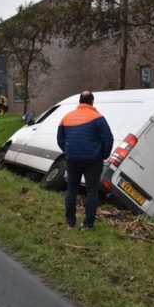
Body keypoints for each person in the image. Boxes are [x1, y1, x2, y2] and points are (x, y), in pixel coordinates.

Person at [57, 91, 113, 230]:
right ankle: (87, 225)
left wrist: (68, 151)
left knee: (72, 190)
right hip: (93, 161)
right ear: (92, 102)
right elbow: (108, 139)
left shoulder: (66, 118)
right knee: (92, 191)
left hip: (73, 160)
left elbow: (60, 139)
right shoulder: (98, 118)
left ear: (80, 101)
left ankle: (70, 223)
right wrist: (103, 155)